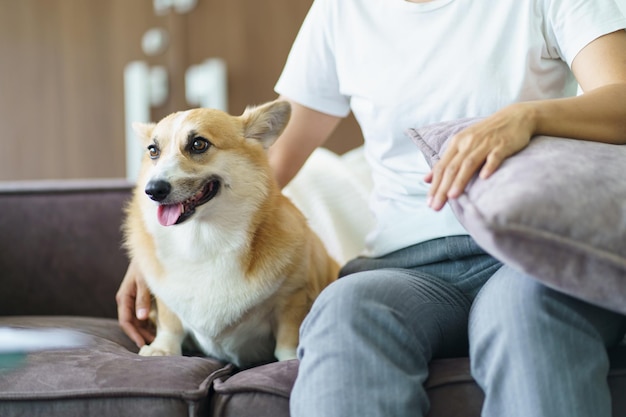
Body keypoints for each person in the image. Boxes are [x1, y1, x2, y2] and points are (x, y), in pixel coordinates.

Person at [117, 0, 626, 415]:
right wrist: (163, 255)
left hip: (528, 248)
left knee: (524, 314)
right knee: (345, 309)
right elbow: (261, 166)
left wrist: (528, 117)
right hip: (408, 267)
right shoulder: (342, 12)